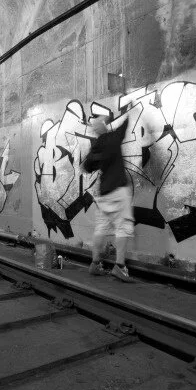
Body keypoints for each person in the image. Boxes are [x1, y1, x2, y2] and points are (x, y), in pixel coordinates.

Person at [82, 114, 134, 282]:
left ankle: (95, 264)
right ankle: (119, 266)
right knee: (123, 227)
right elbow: (125, 125)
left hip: (103, 193)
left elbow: (86, 167)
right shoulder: (113, 137)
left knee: (101, 228)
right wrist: (128, 112)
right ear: (104, 126)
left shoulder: (96, 146)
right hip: (118, 189)